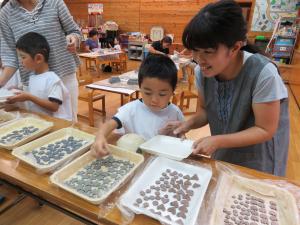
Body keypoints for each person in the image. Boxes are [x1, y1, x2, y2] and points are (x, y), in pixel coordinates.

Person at [165, 0, 289, 176]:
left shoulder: (263, 73)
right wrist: (187, 124)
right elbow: (205, 111)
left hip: (259, 159)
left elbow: (264, 129)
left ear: (235, 47)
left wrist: (217, 141)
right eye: (194, 50)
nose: (199, 59)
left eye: (207, 52)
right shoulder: (202, 72)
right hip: (225, 151)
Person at [0, 0, 81, 121]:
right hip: (32, 81)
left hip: (64, 75)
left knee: (68, 122)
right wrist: (1, 83)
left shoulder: (54, 2)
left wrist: (74, 38)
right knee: (39, 122)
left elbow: (74, 31)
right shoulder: (5, 13)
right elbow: (10, 56)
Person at [91, 54, 184, 157]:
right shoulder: (131, 109)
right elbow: (109, 124)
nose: (154, 100)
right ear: (140, 87)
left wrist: (182, 137)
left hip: (163, 160)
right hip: (135, 160)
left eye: (162, 94)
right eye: (148, 93)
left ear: (173, 91)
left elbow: (181, 133)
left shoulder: (175, 112)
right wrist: (100, 137)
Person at [7, 32, 72, 121]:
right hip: (41, 121)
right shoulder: (33, 76)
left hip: (57, 124)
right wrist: (18, 90)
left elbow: (54, 106)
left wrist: (29, 97)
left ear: (38, 58)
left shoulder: (52, 79)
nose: (21, 61)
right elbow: (37, 93)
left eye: (23, 57)